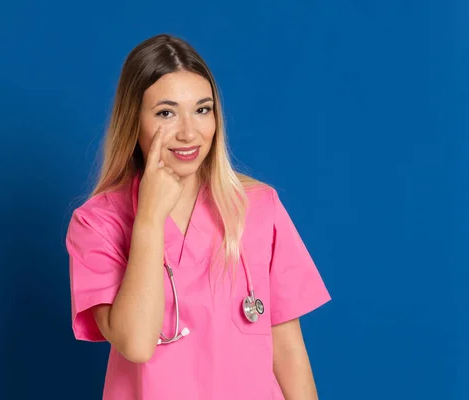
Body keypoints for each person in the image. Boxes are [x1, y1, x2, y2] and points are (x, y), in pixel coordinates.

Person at [65, 33, 331, 400]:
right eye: (166, 113)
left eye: (203, 109)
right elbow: (138, 344)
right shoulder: (97, 223)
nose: (189, 132)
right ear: (134, 121)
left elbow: (288, 350)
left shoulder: (258, 207)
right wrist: (149, 219)